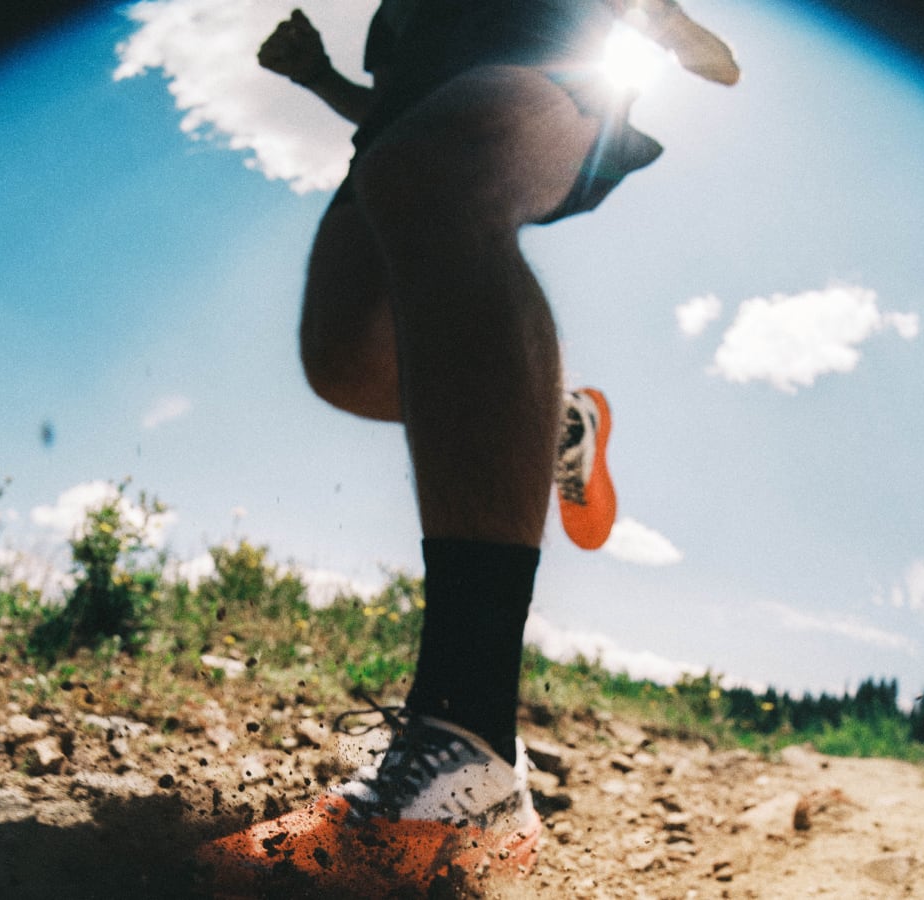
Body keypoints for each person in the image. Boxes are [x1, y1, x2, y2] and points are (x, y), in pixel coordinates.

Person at [199, 0, 738, 894]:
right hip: (395, 142)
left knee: (437, 173)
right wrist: (319, 78)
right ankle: (555, 420)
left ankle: (469, 742)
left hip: (546, 86)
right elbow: (389, 104)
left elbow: (719, 64)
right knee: (342, 361)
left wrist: (653, 19)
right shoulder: (393, 17)